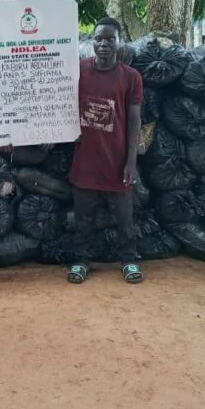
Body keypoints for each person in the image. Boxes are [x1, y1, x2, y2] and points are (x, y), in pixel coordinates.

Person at [66, 16, 144, 284]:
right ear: (92, 42)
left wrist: (131, 160)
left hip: (117, 159)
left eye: (109, 38)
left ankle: (129, 260)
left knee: (124, 218)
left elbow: (134, 121)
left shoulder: (131, 78)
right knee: (83, 217)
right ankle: (81, 261)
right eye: (98, 38)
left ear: (119, 42)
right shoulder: (77, 72)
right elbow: (61, 109)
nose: (103, 44)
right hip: (85, 161)